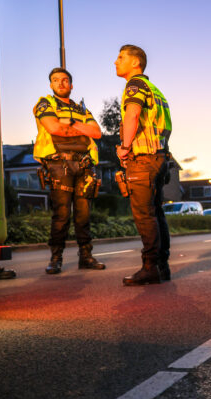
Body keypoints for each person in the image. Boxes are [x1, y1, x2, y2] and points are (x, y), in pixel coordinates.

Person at [33, 67, 106, 274]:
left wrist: (69, 123)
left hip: (83, 165)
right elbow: (53, 128)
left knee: (84, 214)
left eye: (65, 80)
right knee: (62, 214)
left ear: (71, 85)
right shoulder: (45, 103)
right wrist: (81, 131)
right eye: (56, 80)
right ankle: (56, 258)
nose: (61, 83)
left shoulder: (81, 108)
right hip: (59, 165)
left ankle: (86, 256)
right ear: (51, 85)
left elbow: (96, 132)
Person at [115, 44, 172, 286]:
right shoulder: (155, 90)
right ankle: (162, 267)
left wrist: (125, 147)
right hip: (160, 158)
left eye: (120, 58)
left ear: (135, 63)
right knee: (156, 213)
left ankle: (150, 268)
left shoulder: (134, 84)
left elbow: (133, 115)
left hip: (143, 158)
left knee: (144, 215)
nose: (115, 62)